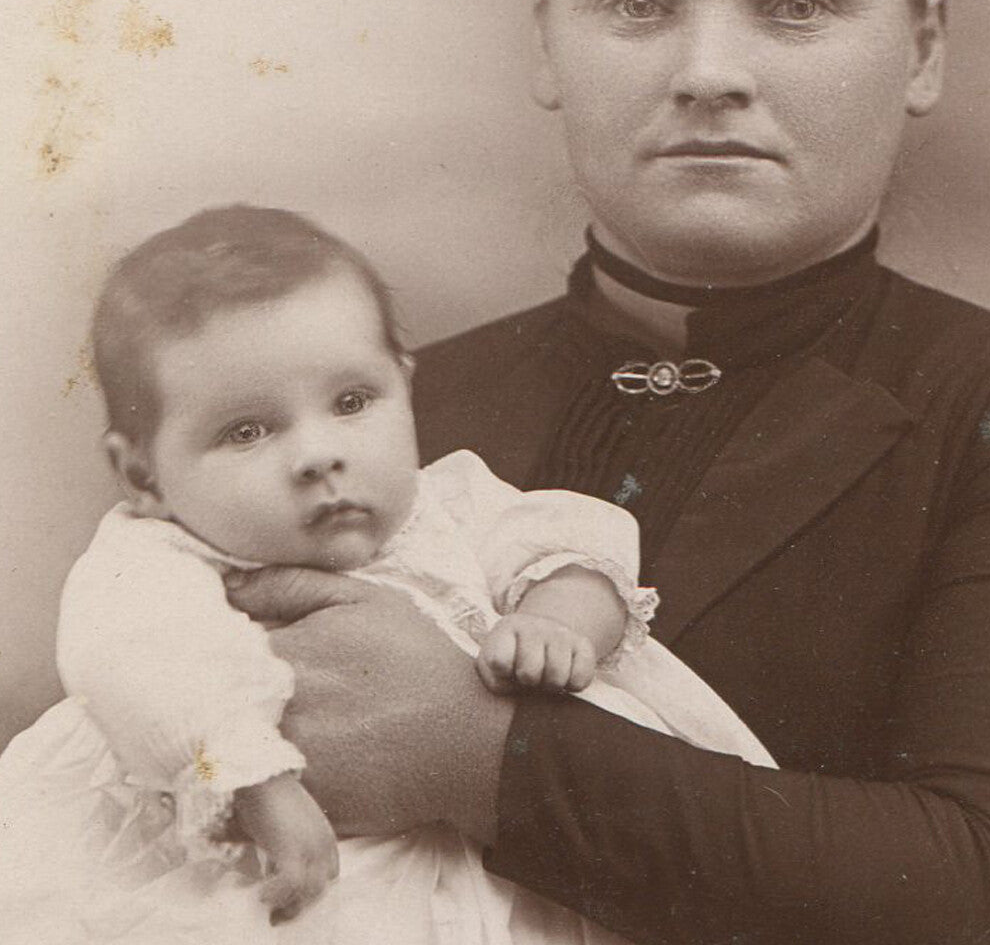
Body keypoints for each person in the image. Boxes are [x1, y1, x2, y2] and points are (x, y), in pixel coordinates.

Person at [220, 0, 990, 944]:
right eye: (637, 1)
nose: (709, 69)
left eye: (799, 3)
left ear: (923, 47)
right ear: (545, 34)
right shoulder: (384, 414)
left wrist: (484, 754)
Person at [0, 204, 772, 945]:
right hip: (274, 840)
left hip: (500, 852)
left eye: (350, 401)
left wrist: (560, 620)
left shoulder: (449, 503)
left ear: (404, 385)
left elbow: (578, 542)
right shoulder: (153, 559)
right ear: (140, 473)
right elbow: (139, 666)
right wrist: (261, 788)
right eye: (246, 430)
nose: (317, 455)